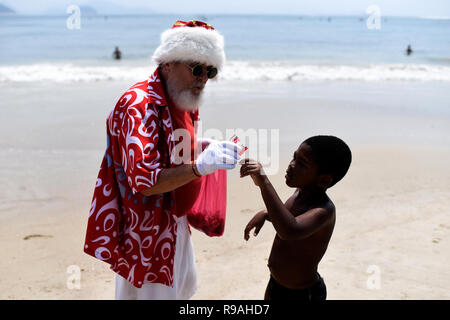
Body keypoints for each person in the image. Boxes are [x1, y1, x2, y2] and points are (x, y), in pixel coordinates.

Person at [84, 20, 242, 300]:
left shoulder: (180, 99)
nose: (203, 77)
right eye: (196, 68)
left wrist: (200, 147)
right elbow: (145, 180)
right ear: (168, 63)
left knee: (181, 290)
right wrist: (200, 165)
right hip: (147, 230)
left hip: (173, 220)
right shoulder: (139, 104)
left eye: (210, 70)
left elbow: (168, 147)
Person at [240, 135, 352, 301]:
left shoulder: (323, 211)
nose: (291, 165)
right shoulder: (299, 193)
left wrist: (264, 181)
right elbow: (284, 218)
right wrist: (266, 214)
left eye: (301, 164)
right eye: (294, 157)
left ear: (323, 180)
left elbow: (290, 229)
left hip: (302, 294)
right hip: (275, 284)